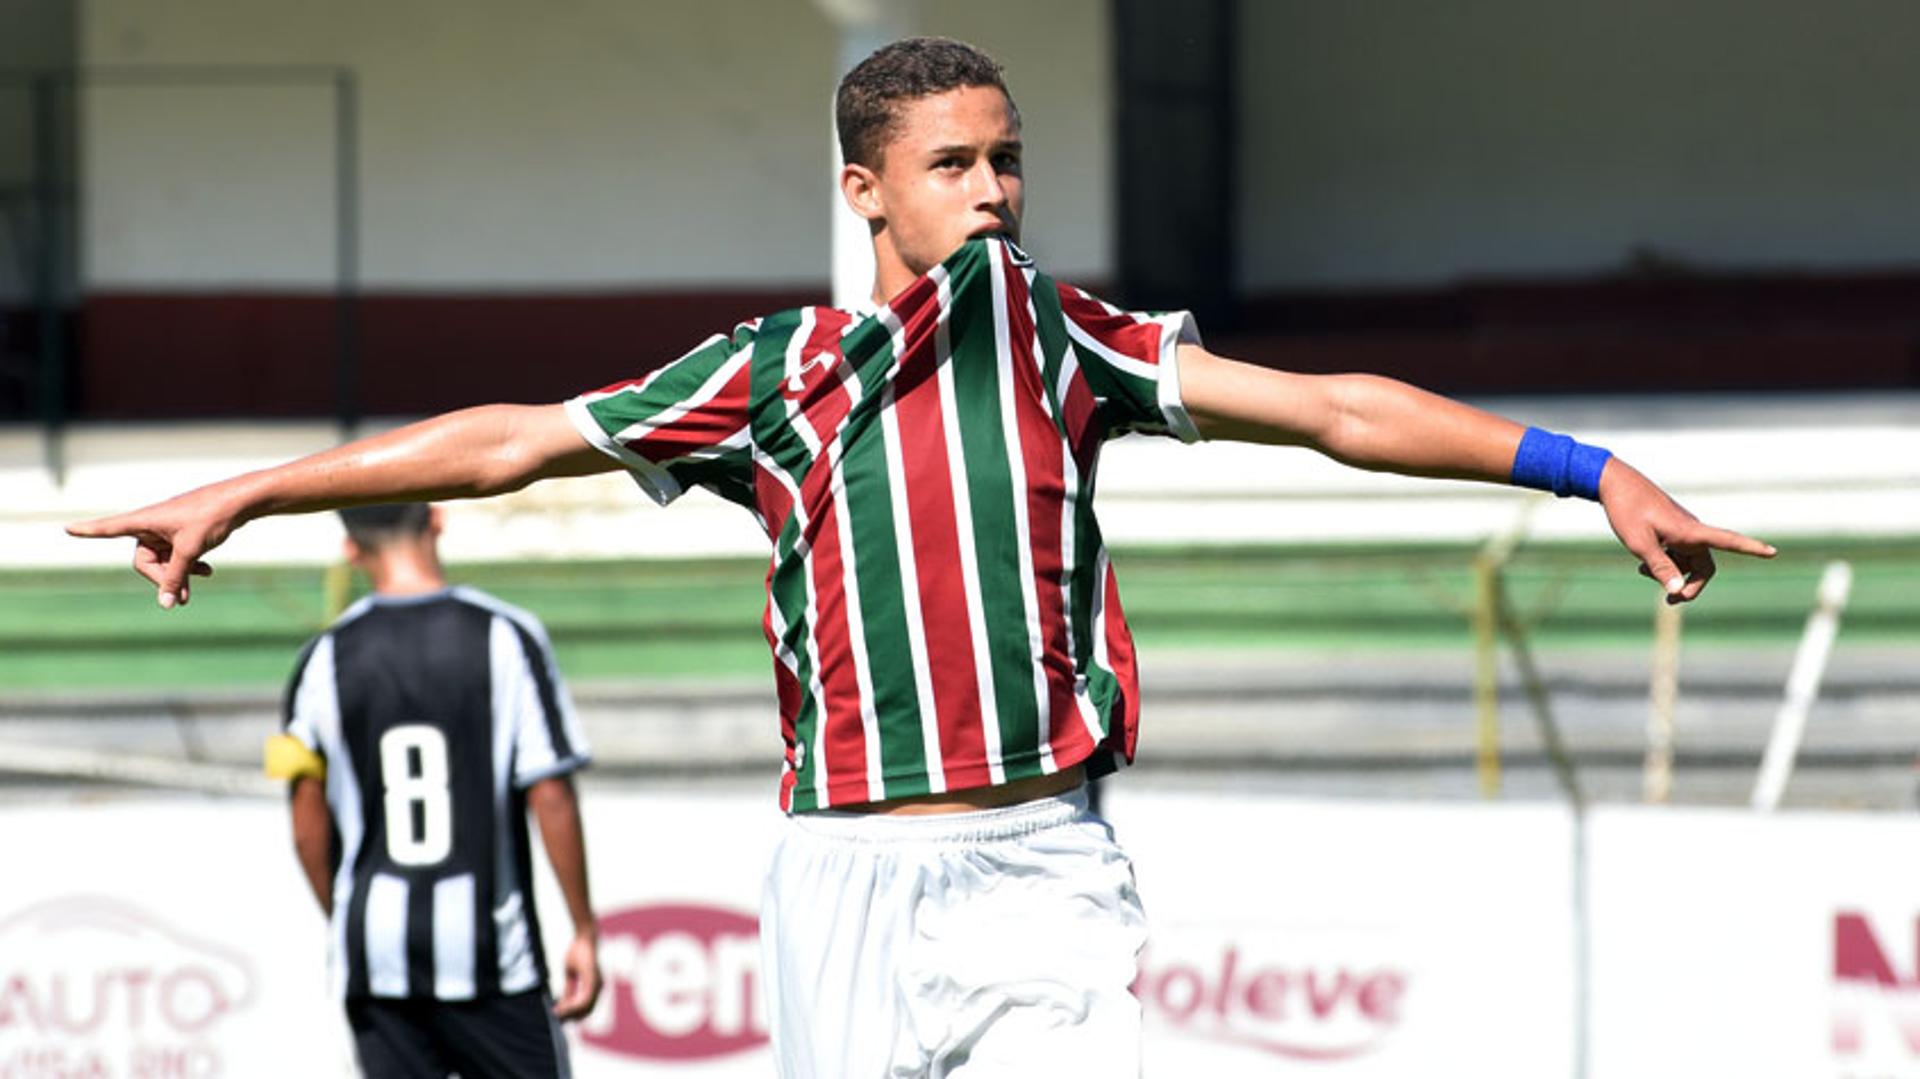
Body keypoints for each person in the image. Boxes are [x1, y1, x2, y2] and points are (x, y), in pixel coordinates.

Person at [72, 37, 1773, 1078]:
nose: (996, 191)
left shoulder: (1067, 340)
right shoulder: (770, 373)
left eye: (1008, 156)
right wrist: (251, 487)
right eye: (953, 164)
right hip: (846, 877)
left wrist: (1590, 466)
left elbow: (1329, 405)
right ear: (866, 191)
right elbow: (506, 435)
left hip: (1043, 856)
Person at [262, 502, 601, 1078]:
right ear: (437, 519)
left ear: (351, 549)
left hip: (376, 953)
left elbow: (305, 824)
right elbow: (551, 794)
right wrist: (584, 930)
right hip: (495, 956)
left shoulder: (321, 658)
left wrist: (346, 912)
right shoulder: (506, 636)